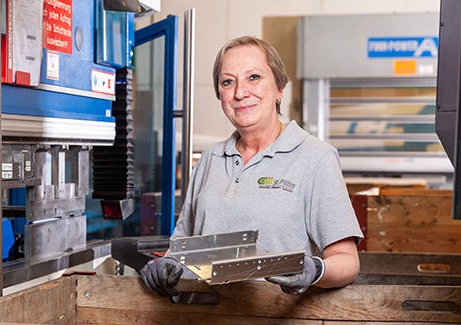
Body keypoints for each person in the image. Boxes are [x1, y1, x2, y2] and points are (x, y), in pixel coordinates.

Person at [140, 36, 363, 297]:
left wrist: (315, 269)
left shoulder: (316, 158)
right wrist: (166, 265)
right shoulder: (209, 160)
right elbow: (181, 250)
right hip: (200, 323)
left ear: (279, 88)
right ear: (220, 95)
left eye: (254, 77)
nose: (240, 93)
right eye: (228, 82)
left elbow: (347, 261)